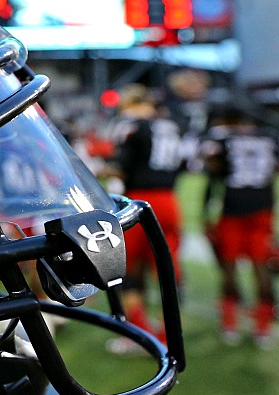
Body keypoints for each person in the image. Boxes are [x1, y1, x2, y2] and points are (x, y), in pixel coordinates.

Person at [106, 84, 183, 351]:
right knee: (166, 270)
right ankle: (166, 336)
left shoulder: (130, 123)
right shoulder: (169, 126)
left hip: (138, 200)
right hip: (170, 200)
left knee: (130, 270)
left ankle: (138, 335)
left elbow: (121, 168)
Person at [201, 105, 278, 348]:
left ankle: (230, 323)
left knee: (229, 266)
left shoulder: (223, 138)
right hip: (262, 208)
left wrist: (206, 211)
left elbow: (213, 174)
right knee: (261, 266)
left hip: (233, 208)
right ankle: (263, 327)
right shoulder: (268, 137)